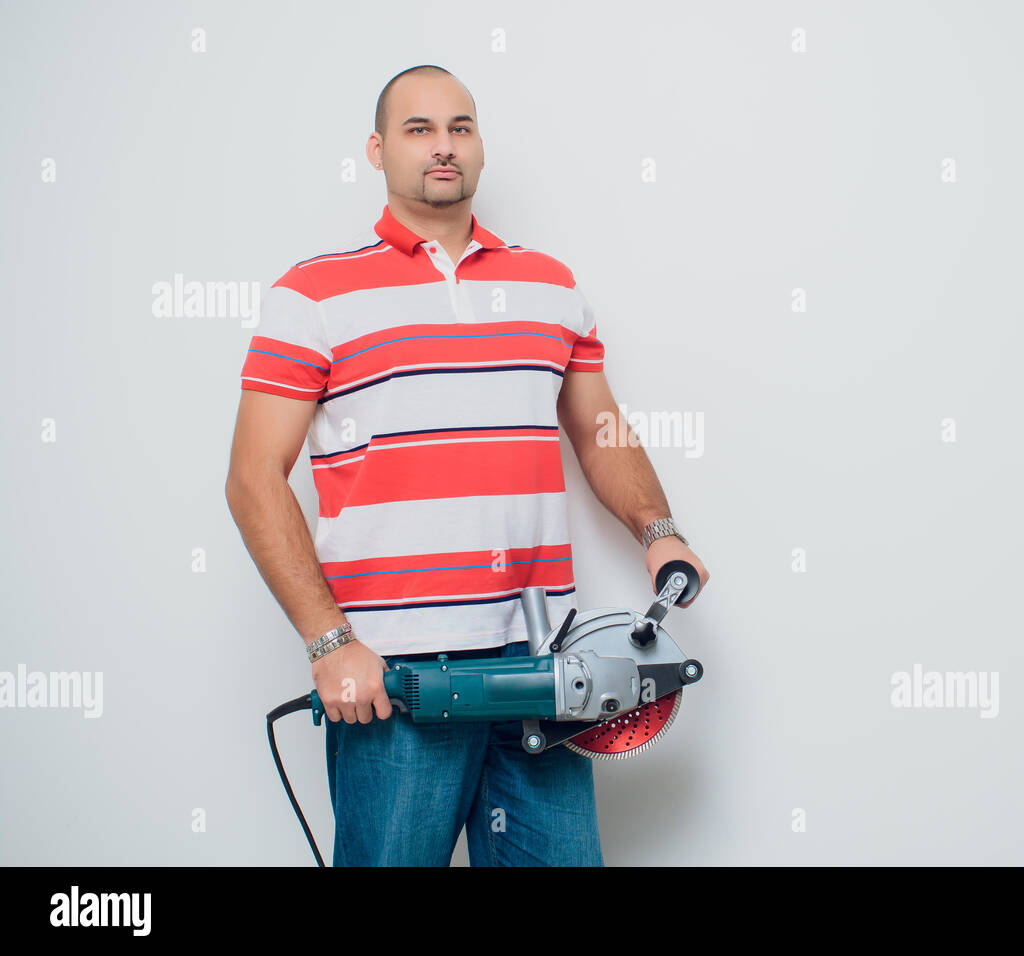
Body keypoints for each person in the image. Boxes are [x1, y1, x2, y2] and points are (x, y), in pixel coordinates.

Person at [224, 64, 709, 866]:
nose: (442, 147)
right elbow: (252, 479)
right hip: (394, 680)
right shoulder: (312, 295)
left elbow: (600, 431)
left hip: (548, 668)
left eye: (461, 128)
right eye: (419, 130)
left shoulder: (549, 287)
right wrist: (328, 645)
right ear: (378, 150)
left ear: (480, 146)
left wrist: (659, 532)